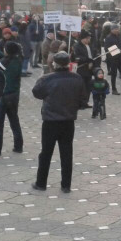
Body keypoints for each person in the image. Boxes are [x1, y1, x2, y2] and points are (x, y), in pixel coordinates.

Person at [31, 52, 88, 193]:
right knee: (66, 153)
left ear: (54, 64)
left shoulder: (47, 79)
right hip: (68, 121)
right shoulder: (77, 78)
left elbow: (36, 92)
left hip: (51, 121)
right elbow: (83, 100)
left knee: (46, 153)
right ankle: (66, 185)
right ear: (69, 64)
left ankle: (41, 182)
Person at [0, 41, 24, 156]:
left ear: (7, 51)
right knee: (14, 121)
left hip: (2, 95)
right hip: (14, 95)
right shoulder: (18, 60)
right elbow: (6, 58)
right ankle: (18, 146)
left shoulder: (3, 63)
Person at [72, 31, 95, 109]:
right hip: (81, 69)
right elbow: (76, 58)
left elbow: (92, 54)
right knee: (81, 87)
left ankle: (85, 102)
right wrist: (86, 59)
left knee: (88, 87)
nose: (89, 40)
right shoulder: (77, 46)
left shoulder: (89, 45)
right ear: (83, 38)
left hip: (89, 69)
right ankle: (80, 103)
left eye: (89, 38)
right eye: (87, 38)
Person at [104, 25, 121, 94]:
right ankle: (114, 89)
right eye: (115, 29)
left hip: (120, 58)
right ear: (111, 30)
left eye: (117, 29)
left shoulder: (119, 37)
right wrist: (117, 51)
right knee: (114, 74)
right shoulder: (108, 37)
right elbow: (107, 49)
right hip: (113, 59)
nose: (117, 30)